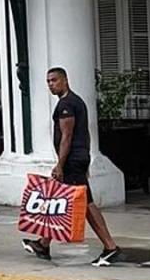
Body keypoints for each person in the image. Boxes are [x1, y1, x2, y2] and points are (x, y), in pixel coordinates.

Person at [23, 67, 122, 266]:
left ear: (65, 80)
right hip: (78, 159)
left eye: (54, 80)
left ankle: (110, 247)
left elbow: (66, 137)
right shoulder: (75, 101)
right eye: (48, 81)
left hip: (72, 161)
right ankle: (43, 243)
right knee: (58, 199)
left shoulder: (67, 104)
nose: (51, 84)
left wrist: (60, 164)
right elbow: (85, 133)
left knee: (85, 203)